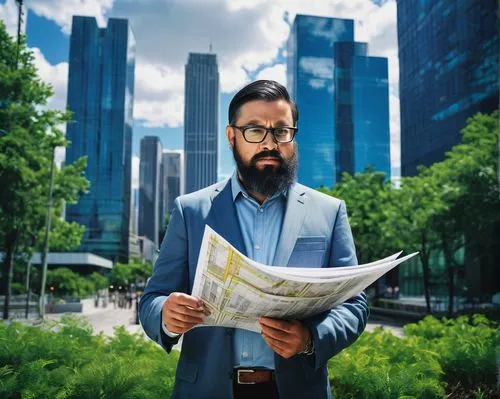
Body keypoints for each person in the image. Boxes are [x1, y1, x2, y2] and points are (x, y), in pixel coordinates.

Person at [140, 80, 368, 398]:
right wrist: (166, 313)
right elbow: (152, 298)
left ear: (293, 137)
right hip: (208, 389)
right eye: (255, 130)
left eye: (281, 131)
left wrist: (310, 339)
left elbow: (354, 305)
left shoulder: (329, 212)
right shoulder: (190, 210)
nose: (269, 143)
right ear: (231, 136)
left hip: (298, 389)